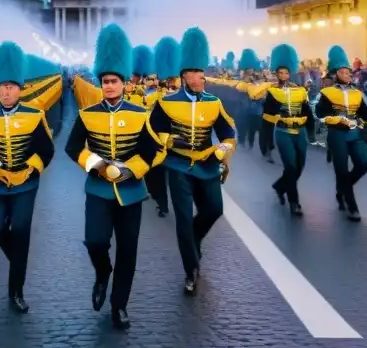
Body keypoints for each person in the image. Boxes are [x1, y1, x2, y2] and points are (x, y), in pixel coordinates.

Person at [64, 24, 160, 330]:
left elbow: (152, 151)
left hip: (131, 191)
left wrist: (131, 169)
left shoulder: (140, 113)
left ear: (123, 83)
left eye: (114, 81)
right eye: (105, 81)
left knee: (128, 251)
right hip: (99, 189)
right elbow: (72, 147)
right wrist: (97, 164)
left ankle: (119, 305)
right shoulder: (87, 113)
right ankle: (102, 272)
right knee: (95, 241)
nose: (108, 86)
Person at [148, 27, 237, 295]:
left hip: (207, 164)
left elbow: (228, 133)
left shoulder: (214, 102)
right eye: (195, 72)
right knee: (184, 219)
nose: (200, 77)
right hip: (178, 166)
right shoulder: (166, 102)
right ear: (184, 75)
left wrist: (222, 150)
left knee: (214, 210)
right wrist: (170, 141)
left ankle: (194, 239)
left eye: (202, 72)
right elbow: (154, 131)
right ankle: (191, 269)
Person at [0, 41, 55, 313]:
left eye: (10, 86)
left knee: (20, 231)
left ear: (20, 89)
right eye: (1, 87)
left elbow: (46, 149)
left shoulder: (34, 114)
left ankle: (16, 290)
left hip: (26, 184)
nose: (4, 91)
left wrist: (28, 170)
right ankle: (18, 261)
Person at [314, 46, 367, 221]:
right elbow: (319, 113)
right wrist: (334, 119)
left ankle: (342, 188)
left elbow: (365, 113)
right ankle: (351, 206)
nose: (347, 74)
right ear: (335, 75)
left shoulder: (357, 93)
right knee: (341, 170)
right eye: (343, 72)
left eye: (348, 72)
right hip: (337, 135)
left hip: (355, 133)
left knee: (364, 164)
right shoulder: (327, 93)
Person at [263, 44, 310, 216]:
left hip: (300, 132)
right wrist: (278, 118)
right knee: (290, 166)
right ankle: (294, 202)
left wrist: (307, 124)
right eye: (280, 73)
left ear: (290, 73)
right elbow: (267, 114)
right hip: (283, 132)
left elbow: (307, 110)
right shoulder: (272, 91)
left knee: (300, 166)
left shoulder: (299, 90)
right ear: (276, 74)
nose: (283, 75)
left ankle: (280, 186)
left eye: (286, 72)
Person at [144, 36, 180, 218]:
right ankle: (162, 203)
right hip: (156, 135)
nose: (170, 82)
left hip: (177, 137)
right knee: (156, 171)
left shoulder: (182, 93)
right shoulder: (151, 95)